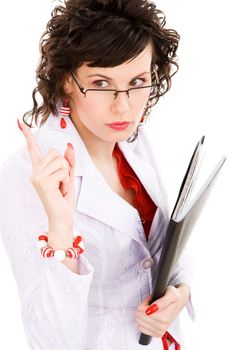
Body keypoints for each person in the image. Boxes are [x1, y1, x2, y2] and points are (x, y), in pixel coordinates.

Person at [0, 0, 194, 349]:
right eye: (101, 82)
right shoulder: (29, 173)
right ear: (67, 81)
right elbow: (48, 340)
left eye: (138, 81)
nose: (123, 105)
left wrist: (179, 294)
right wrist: (61, 230)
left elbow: (165, 245)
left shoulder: (133, 140)